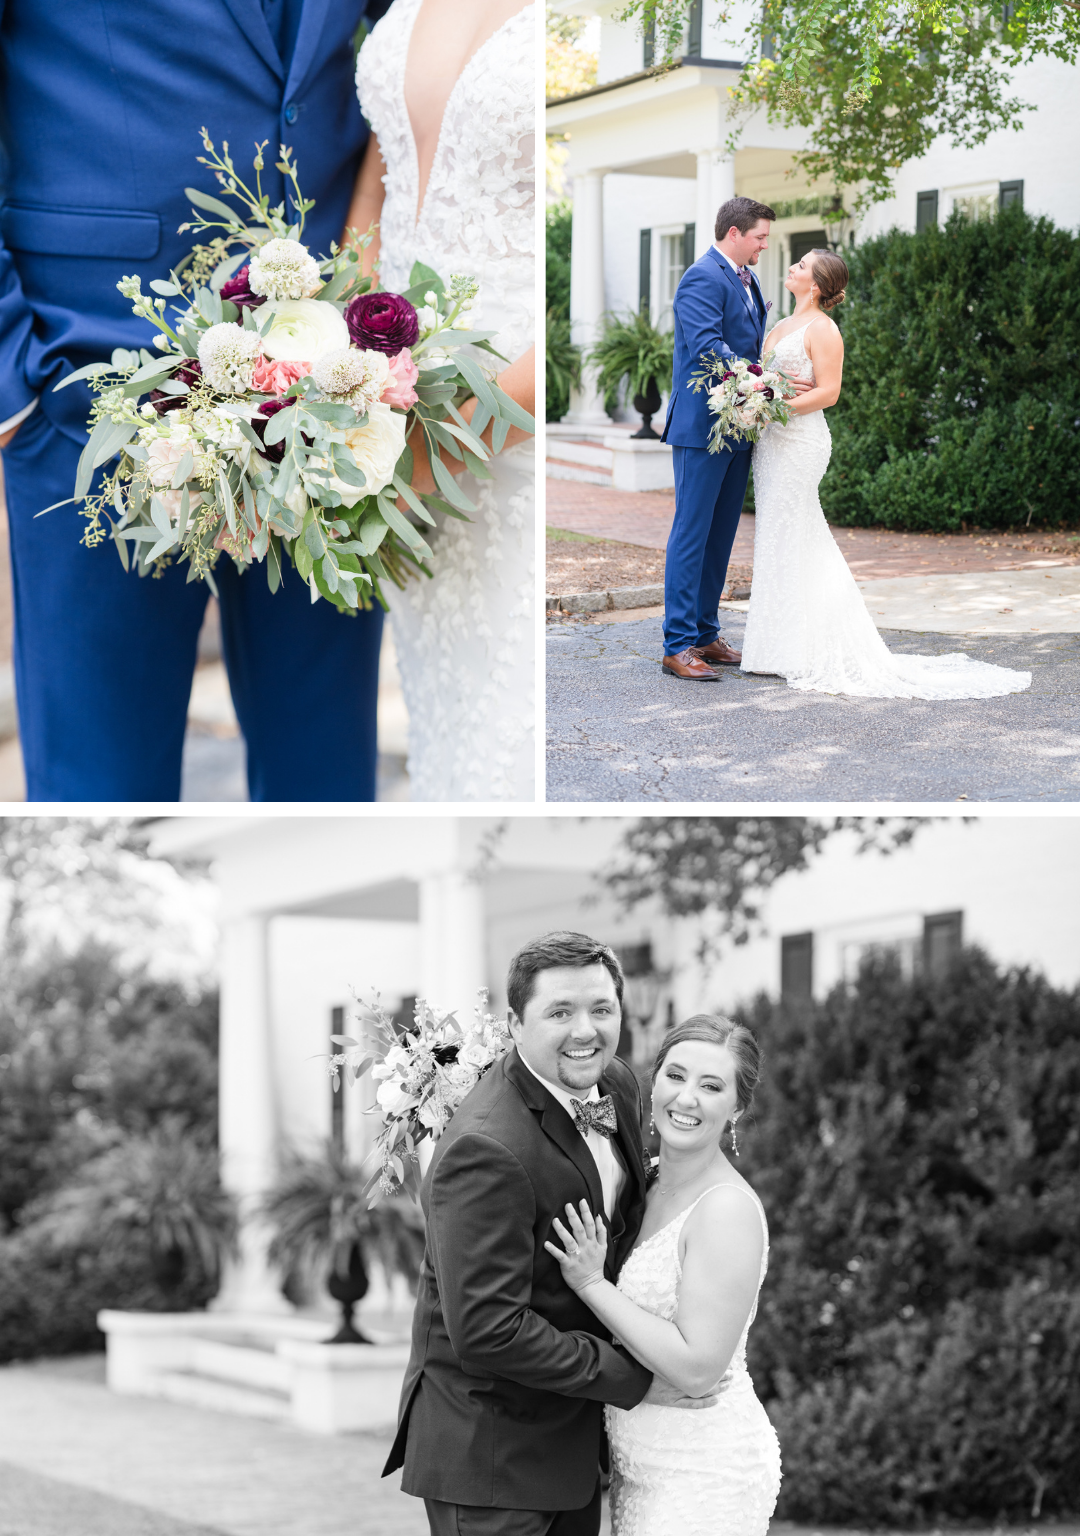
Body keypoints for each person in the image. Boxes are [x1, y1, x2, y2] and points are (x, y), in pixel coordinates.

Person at [0, 0, 394, 801]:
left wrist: (364, 288)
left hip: (328, 385)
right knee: (99, 795)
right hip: (86, 384)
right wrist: (13, 382)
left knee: (326, 783)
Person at [384, 930, 704, 1536]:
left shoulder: (617, 1087)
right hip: (492, 1455)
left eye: (601, 1009)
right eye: (560, 1011)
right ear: (514, 1022)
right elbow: (487, 1329)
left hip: (571, 1444)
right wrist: (636, 1379)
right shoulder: (485, 1147)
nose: (586, 1031)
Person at [350, 0, 536, 799]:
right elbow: (382, 179)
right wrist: (326, 374)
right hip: (393, 416)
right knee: (452, 736)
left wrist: (449, 438)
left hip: (513, 419)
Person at [741, 249, 1031, 699]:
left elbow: (829, 392)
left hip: (800, 443)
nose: (793, 268)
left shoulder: (824, 329)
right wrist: (759, 393)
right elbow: (765, 375)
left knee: (799, 532)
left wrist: (772, 408)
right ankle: (777, 647)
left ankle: (807, 646)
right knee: (778, 535)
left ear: (816, 284)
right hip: (772, 446)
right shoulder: (779, 327)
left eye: (801, 265)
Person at [546, 1014, 782, 1536]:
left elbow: (698, 1369)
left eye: (712, 1086)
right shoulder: (642, 1180)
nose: (687, 1098)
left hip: (702, 1469)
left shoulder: (726, 1210)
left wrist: (591, 1285)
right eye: (676, 1076)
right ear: (655, 1083)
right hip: (638, 1463)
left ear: (737, 1108)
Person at [659, 196, 812, 682]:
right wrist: (771, 383)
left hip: (739, 425)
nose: (766, 244)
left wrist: (764, 385)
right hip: (702, 427)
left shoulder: (747, 279)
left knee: (721, 534)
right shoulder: (702, 277)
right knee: (692, 533)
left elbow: (746, 344)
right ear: (734, 234)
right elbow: (708, 348)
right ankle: (677, 644)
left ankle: (706, 632)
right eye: (760, 236)